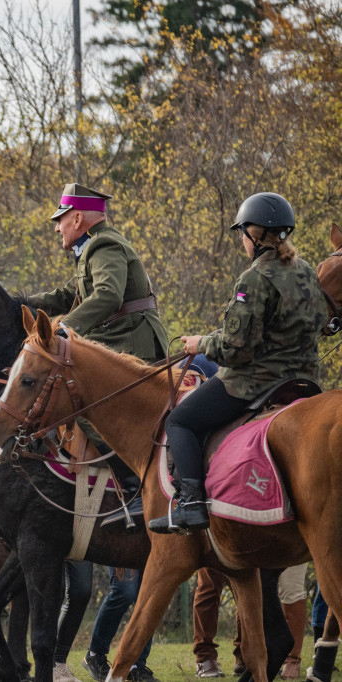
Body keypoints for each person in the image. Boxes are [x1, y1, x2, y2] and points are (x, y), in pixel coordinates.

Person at [150, 192, 326, 533]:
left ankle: (192, 505)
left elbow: (236, 349)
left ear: (255, 236)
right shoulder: (306, 272)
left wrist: (201, 343)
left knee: (180, 421)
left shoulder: (254, 279)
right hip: (305, 380)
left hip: (255, 382)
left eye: (243, 233)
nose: (242, 240)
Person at [28, 182, 169, 522]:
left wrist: (64, 328)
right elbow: (71, 294)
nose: (56, 227)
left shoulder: (103, 244)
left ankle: (136, 486)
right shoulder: (92, 247)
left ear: (77, 218)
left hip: (131, 341)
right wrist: (20, 302)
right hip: (121, 338)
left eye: (60, 220)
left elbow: (106, 295)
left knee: (85, 406)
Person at [81, 567, 157, 682]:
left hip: (149, 550)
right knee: (124, 592)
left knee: (148, 597)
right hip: (124, 550)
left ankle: (136, 666)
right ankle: (95, 655)